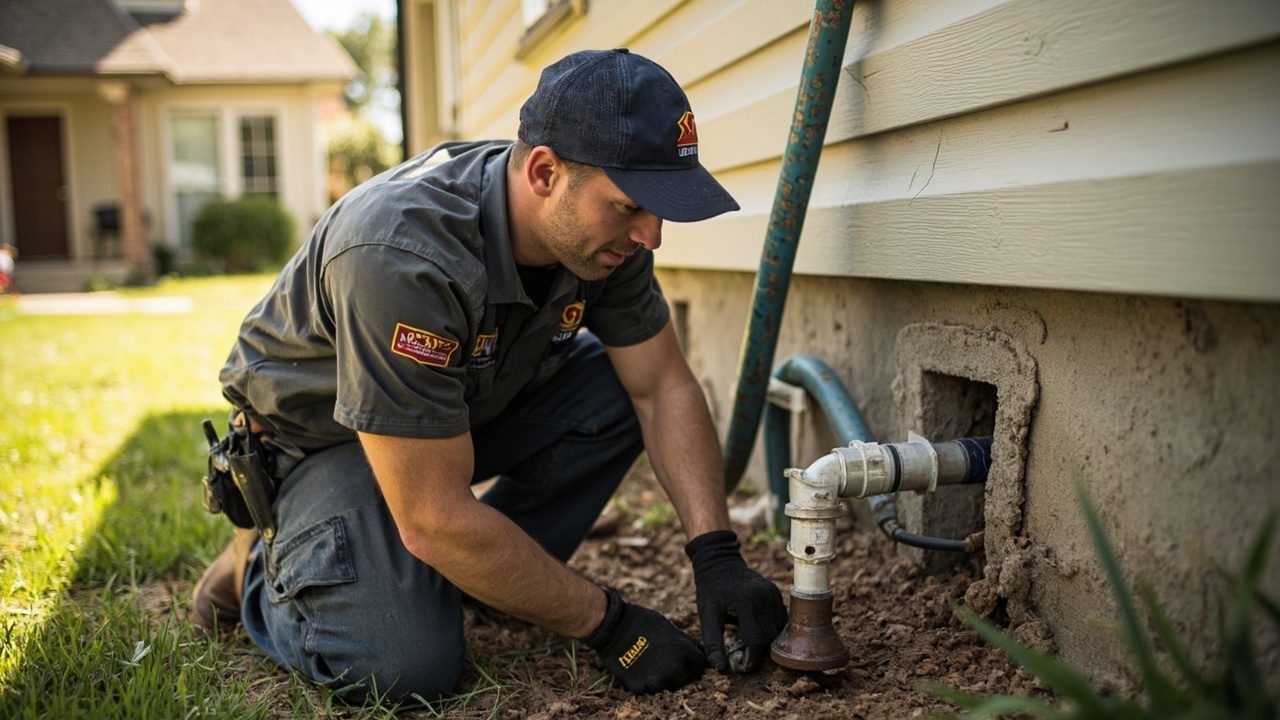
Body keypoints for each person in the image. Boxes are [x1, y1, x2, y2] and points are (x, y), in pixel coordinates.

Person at [191, 48, 787, 702]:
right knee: (405, 665)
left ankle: (477, 577)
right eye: (630, 206)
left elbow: (663, 387)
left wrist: (717, 556)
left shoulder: (602, 240)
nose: (652, 234)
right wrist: (608, 623)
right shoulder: (400, 255)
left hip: (452, 411)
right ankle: (256, 563)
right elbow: (431, 515)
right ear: (544, 173)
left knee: (616, 387)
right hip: (321, 444)